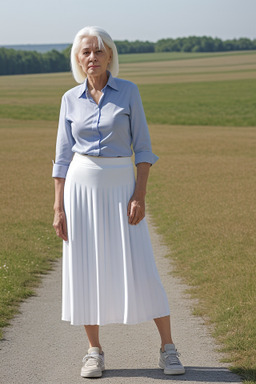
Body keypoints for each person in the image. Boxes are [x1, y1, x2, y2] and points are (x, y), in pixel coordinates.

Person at [52, 26, 185, 378]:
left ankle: (167, 348)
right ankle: (94, 351)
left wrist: (139, 195)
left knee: (140, 264)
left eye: (98, 51)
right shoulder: (69, 99)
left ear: (110, 54)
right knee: (85, 268)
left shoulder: (128, 92)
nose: (92, 57)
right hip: (79, 192)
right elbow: (62, 159)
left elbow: (143, 149)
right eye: (85, 52)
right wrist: (58, 207)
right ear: (78, 59)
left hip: (121, 187)